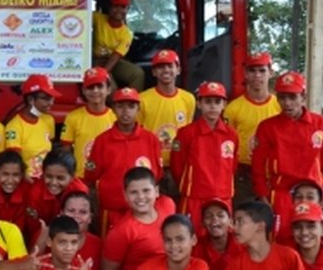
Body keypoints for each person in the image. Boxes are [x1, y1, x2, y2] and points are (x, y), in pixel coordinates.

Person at [252, 71, 323, 243]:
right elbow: (258, 165)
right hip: (280, 195)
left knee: (309, 239)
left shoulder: (320, 124)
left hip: (310, 194)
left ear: (303, 97)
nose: (287, 103)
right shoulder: (268, 127)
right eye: (282, 97)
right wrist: (263, 195)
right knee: (281, 239)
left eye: (292, 97)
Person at [84, 87, 162, 232]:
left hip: (143, 208)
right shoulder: (102, 141)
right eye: (120, 106)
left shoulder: (151, 139)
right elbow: (91, 176)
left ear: (138, 109)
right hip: (112, 210)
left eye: (131, 106)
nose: (126, 111)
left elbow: (156, 175)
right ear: (113, 109)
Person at [170, 81, 238, 234]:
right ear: (199, 104)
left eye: (217, 101)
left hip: (223, 197)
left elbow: (232, 166)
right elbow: (177, 166)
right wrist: (190, 186)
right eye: (207, 101)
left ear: (224, 104)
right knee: (192, 238)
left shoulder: (231, 134)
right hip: (194, 197)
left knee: (222, 240)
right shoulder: (186, 133)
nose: (212, 106)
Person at [223, 52, 279, 205]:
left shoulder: (279, 106)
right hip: (243, 172)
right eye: (252, 71)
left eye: (262, 71)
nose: (257, 76)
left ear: (271, 73)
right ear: (245, 74)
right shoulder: (233, 108)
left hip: (272, 172)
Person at [101, 167, 176, 270]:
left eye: (146, 191)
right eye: (134, 192)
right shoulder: (121, 231)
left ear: (156, 191)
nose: (141, 197)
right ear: (125, 196)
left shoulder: (168, 205)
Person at [138, 49, 196, 190]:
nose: (166, 70)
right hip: (152, 164)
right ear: (154, 72)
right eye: (161, 67)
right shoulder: (142, 99)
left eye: (170, 66)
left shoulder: (188, 99)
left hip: (180, 163)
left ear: (178, 69)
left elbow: (188, 133)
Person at [60, 67, 116, 179]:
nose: (95, 91)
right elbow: (66, 151)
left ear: (108, 89)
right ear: (84, 91)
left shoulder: (115, 118)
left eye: (99, 86)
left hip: (108, 178)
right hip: (81, 179)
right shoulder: (73, 117)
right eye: (90, 87)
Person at [4, 74, 59, 180]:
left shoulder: (48, 120)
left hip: (48, 180)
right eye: (46, 98)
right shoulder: (14, 126)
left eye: (52, 98)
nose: (51, 103)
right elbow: (15, 162)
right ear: (30, 100)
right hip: (28, 181)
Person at [26, 150, 88, 236]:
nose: (54, 182)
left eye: (60, 178)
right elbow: (34, 229)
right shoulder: (35, 193)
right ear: (42, 174)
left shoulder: (80, 191)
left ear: (72, 177)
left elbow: (83, 224)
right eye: (49, 176)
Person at [91, 0, 144, 91]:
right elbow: (80, 13)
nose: (119, 10)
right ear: (109, 7)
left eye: (123, 7)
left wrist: (104, 73)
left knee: (137, 73)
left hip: (113, 62)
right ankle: (115, 105)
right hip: (96, 60)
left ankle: (133, 103)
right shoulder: (98, 18)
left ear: (127, 10)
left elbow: (116, 56)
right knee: (111, 88)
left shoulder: (126, 33)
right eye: (115, 6)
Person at [279, 179, 323, 250]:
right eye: (299, 197)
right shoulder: (283, 237)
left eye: (310, 197)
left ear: (321, 203)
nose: (304, 201)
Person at [192, 198, 242, 270]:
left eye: (220, 215)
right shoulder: (194, 247)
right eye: (208, 216)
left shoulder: (243, 245)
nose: (214, 219)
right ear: (203, 223)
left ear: (230, 221)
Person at [0, 151, 38, 247]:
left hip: (17, 241)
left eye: (15, 175)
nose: (10, 180)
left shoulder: (28, 190)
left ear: (22, 175)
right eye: (5, 174)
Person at [62, 191, 103, 265]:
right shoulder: (46, 237)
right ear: (61, 214)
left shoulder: (99, 246)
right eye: (71, 211)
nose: (76, 216)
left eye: (83, 212)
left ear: (90, 218)